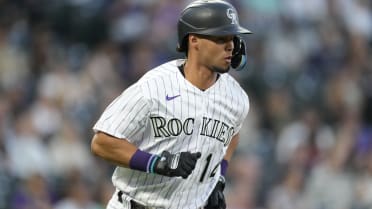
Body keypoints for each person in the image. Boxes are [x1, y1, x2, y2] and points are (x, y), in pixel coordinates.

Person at [90, 0, 252, 208]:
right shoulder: (154, 87)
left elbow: (233, 133)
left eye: (233, 38)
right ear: (194, 41)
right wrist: (158, 163)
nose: (231, 46)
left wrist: (218, 177)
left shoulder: (236, 97)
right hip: (136, 203)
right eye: (221, 38)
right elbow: (102, 142)